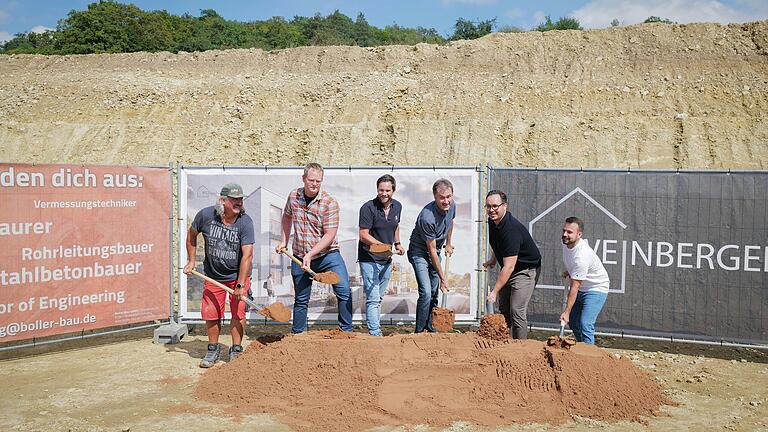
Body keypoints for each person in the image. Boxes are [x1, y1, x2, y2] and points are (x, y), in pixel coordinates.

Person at [276, 163, 353, 333]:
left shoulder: (329, 202)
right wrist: (283, 241)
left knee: (344, 291)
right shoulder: (293, 196)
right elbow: (286, 217)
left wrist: (310, 254)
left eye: (318, 181)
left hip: (328, 256)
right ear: (303, 179)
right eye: (311, 180)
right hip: (299, 255)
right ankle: (298, 335)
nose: (314, 184)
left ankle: (346, 333)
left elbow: (330, 234)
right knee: (301, 299)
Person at [184, 182, 254, 367]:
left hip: (238, 276)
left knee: (238, 313)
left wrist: (240, 285)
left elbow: (247, 255)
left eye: (240, 199)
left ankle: (236, 349)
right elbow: (191, 236)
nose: (238, 202)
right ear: (223, 201)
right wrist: (191, 261)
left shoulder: (245, 222)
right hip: (213, 276)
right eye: (234, 199)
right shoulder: (206, 215)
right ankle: (213, 349)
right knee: (211, 313)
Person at [483, 190, 541, 339]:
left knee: (517, 311)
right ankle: (504, 344)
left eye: (495, 206)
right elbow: (498, 244)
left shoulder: (511, 229)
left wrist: (494, 292)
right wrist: (493, 260)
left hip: (525, 270)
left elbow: (509, 266)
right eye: (488, 206)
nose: (491, 210)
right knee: (504, 309)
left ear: (505, 206)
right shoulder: (493, 221)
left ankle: (520, 348)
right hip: (510, 268)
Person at [358, 174, 406, 336]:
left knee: (378, 297)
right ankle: (375, 333)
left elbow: (396, 226)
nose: (383, 193)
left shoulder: (397, 206)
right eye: (380, 190)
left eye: (387, 190)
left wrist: (397, 244)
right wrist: (382, 246)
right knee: (372, 298)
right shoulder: (368, 208)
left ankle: (375, 331)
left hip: (386, 259)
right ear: (377, 189)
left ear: (393, 190)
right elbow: (363, 234)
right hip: (369, 258)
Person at [408, 178, 455, 333]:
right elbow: (431, 250)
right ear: (435, 197)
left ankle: (431, 325)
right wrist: (443, 278)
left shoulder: (452, 206)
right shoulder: (427, 217)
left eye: (448, 196)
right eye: (442, 197)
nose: (446, 201)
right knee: (427, 292)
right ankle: (420, 331)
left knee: (434, 292)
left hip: (437, 250)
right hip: (420, 252)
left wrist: (448, 243)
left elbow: (450, 222)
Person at [560, 217, 610, 344]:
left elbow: (575, 287)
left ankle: (590, 356)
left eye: (569, 232)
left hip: (596, 288)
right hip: (582, 286)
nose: (565, 234)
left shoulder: (582, 256)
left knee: (585, 324)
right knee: (574, 322)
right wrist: (570, 272)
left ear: (579, 235)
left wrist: (566, 312)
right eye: (564, 230)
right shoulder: (566, 243)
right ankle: (582, 347)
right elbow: (576, 268)